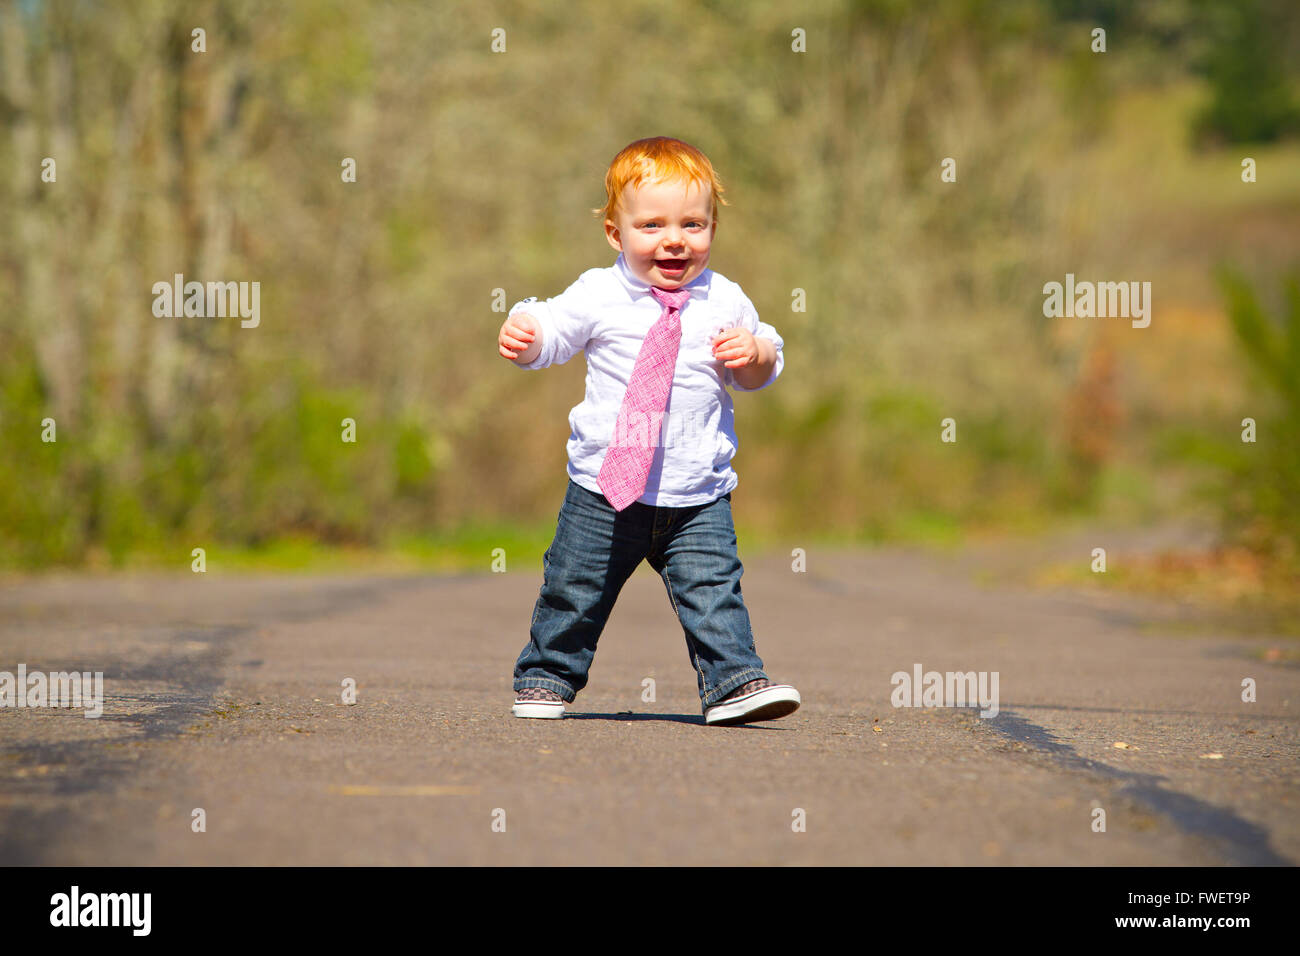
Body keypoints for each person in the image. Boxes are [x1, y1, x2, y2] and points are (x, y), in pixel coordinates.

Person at [496, 136, 800, 726]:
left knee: (714, 592)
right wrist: (528, 333)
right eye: (652, 224)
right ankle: (546, 677)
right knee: (573, 588)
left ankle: (734, 682)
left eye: (693, 223)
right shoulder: (599, 293)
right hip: (602, 488)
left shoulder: (724, 299)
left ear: (713, 227)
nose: (674, 240)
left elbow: (764, 367)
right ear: (616, 233)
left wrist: (755, 353)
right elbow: (554, 327)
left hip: (696, 491)